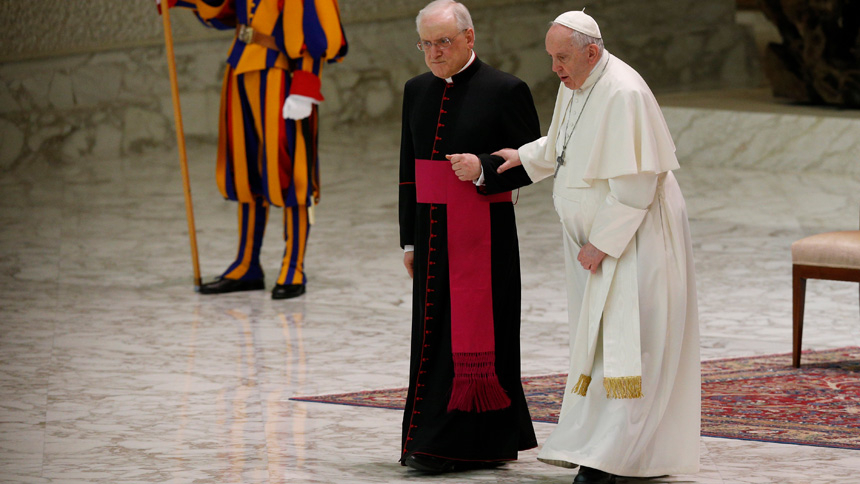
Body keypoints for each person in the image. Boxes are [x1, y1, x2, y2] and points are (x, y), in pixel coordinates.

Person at [491, 10, 700, 484]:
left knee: (632, 344)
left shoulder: (623, 93)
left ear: (592, 50)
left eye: (562, 57)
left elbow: (636, 183)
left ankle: (613, 458)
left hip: (633, 238)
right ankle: (601, 447)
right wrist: (523, 156)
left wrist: (603, 243)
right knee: (600, 345)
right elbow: (565, 144)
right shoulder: (577, 83)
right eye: (551, 57)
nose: (554, 68)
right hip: (597, 243)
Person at [398, 0, 541, 474]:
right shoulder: (416, 90)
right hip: (430, 233)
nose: (435, 53)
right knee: (431, 339)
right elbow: (408, 174)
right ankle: (427, 438)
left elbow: (531, 165)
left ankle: (477, 444)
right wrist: (409, 242)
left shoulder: (506, 89)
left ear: (469, 38)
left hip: (486, 236)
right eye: (427, 44)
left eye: (445, 42)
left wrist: (483, 168)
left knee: (482, 337)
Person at [165, 0, 348, 299]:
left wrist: (305, 85)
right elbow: (223, 10)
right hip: (240, 66)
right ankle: (246, 264)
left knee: (292, 170)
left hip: (281, 76)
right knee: (245, 168)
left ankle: (293, 267)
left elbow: (314, 26)